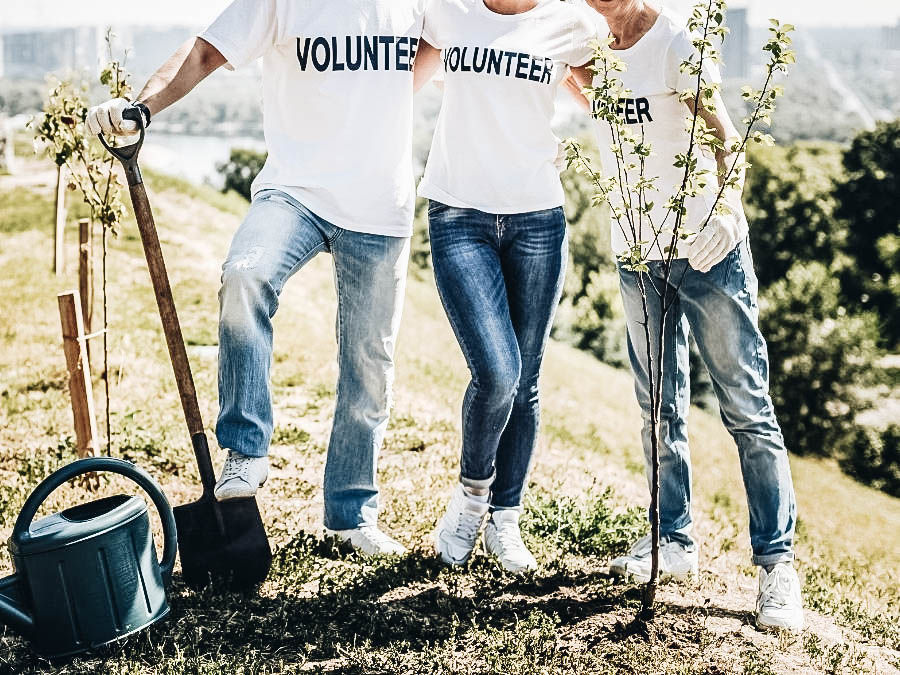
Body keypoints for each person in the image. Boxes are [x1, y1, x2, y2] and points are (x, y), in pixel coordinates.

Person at [86, 0, 431, 557]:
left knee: (369, 365)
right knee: (245, 277)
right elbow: (202, 52)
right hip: (294, 191)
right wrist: (139, 107)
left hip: (379, 207)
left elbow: (461, 33)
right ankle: (245, 449)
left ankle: (350, 514)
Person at [577, 0, 805, 631]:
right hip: (637, 256)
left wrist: (730, 214)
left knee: (746, 405)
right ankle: (672, 541)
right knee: (657, 406)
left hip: (707, 246)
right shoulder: (589, 45)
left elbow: (727, 138)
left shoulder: (675, 40)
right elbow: (592, 102)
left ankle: (777, 566)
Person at [413, 0, 599, 573]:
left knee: (527, 378)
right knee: (497, 372)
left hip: (537, 220)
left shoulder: (572, 22)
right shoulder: (446, 11)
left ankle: (505, 519)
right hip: (458, 216)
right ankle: (471, 498)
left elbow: (615, 100)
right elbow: (393, 88)